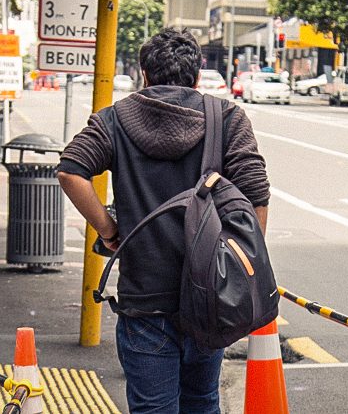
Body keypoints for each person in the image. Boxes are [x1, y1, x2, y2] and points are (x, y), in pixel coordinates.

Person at [57, 28, 270, 413]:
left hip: (144, 300)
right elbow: (256, 196)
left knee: (152, 408)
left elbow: (71, 171)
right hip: (209, 298)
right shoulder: (226, 119)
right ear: (196, 74)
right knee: (202, 401)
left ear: (143, 73)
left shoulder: (114, 120)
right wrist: (239, 267)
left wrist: (110, 231)